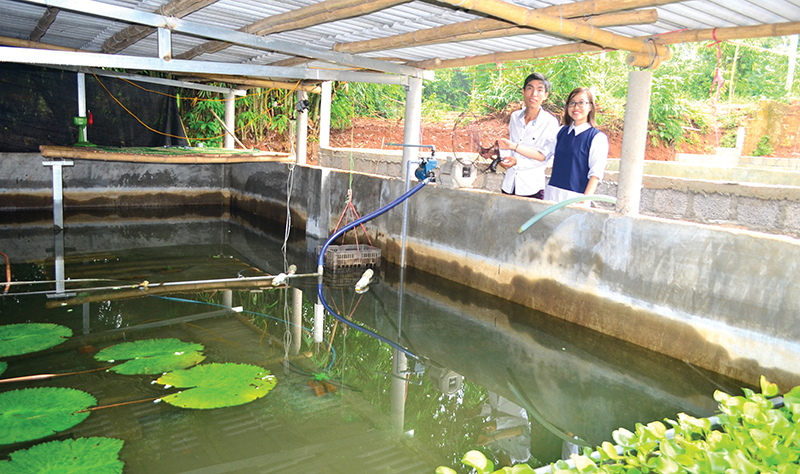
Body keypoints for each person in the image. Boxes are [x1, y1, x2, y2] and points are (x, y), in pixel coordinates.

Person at [497, 72, 560, 199]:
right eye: (530, 88)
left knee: (531, 219)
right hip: (509, 184)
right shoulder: (515, 117)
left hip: (532, 187)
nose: (534, 94)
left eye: (540, 90)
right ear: (523, 91)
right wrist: (503, 158)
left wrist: (516, 155)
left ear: (546, 95)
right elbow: (509, 146)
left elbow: (543, 156)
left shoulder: (550, 122)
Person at [543, 87, 609, 204]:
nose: (576, 107)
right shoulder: (560, 132)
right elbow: (542, 155)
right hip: (552, 195)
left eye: (581, 103)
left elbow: (596, 174)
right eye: (572, 103)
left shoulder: (597, 138)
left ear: (590, 107)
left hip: (576, 199)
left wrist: (583, 202)